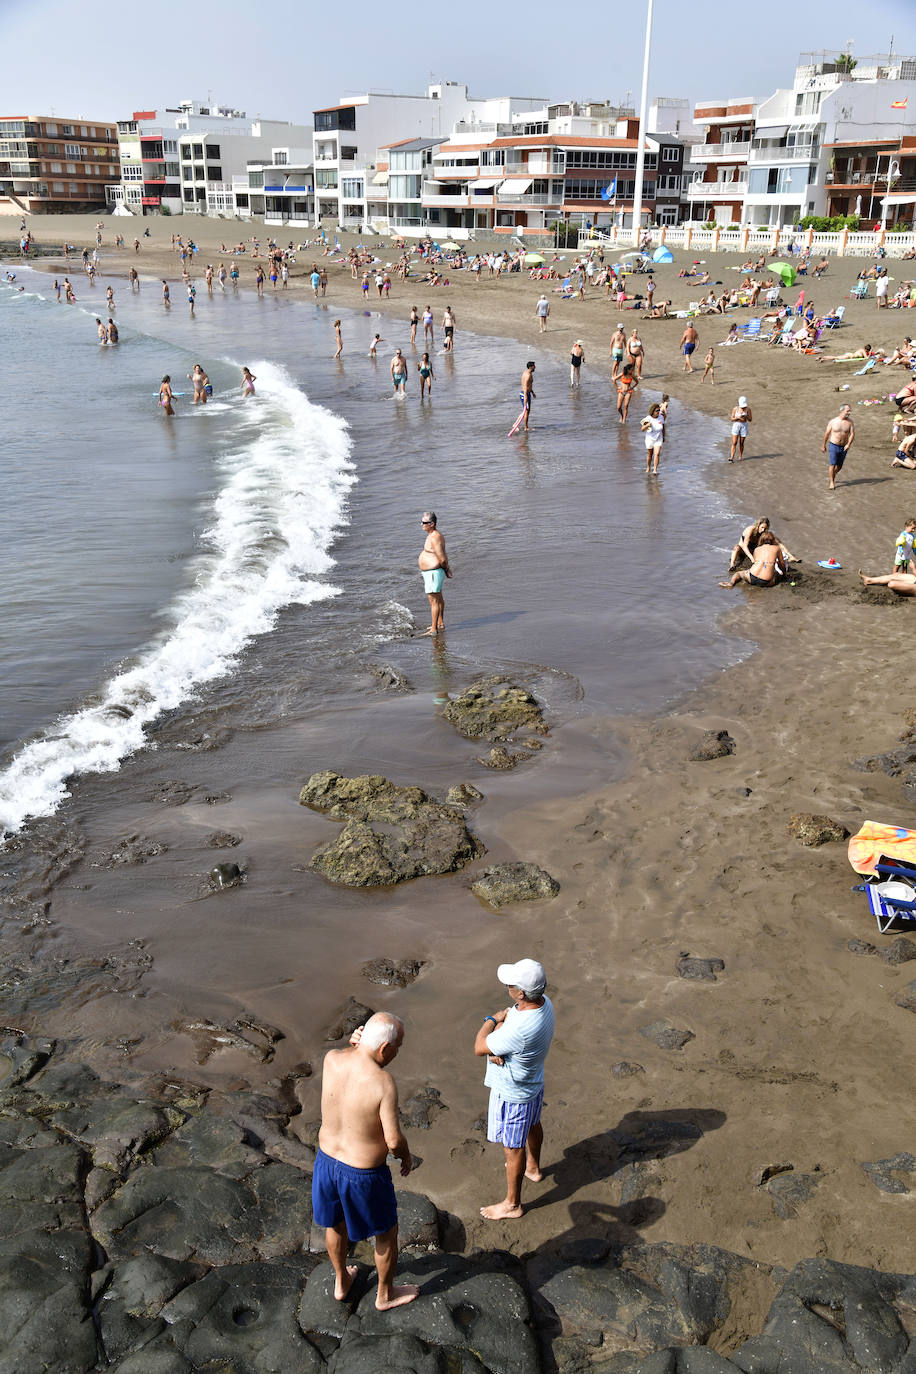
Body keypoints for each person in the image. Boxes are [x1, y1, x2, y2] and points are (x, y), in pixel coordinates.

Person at [312, 1012, 419, 1311]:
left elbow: (349, 1059)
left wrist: (354, 1047)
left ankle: (341, 1280)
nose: (397, 1053)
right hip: (362, 1175)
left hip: (326, 1161)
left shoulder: (332, 1059)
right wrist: (406, 1157)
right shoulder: (383, 1083)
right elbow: (394, 1140)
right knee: (386, 1232)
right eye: (398, 1047)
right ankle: (385, 1295)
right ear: (385, 1049)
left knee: (334, 1224)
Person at [474, 957, 554, 1221]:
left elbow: (480, 1046)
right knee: (534, 1124)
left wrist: (492, 1019)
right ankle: (534, 1168)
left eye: (511, 984)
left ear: (520, 993)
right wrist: (502, 1045)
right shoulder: (546, 1004)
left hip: (513, 1094)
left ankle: (513, 1204)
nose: (507, 986)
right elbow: (507, 1040)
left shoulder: (518, 1028)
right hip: (533, 1081)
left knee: (513, 1148)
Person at [727, 516, 799, 574]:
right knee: (736, 547)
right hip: (743, 550)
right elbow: (744, 546)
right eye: (762, 527)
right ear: (758, 525)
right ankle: (732, 565)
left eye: (765, 528)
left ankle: (791, 557)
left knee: (777, 540)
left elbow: (776, 543)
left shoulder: (764, 533)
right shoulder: (750, 530)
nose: (763, 530)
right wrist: (752, 559)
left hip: (754, 550)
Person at [417, 511, 451, 635]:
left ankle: (433, 629)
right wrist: (447, 568)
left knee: (434, 601)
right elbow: (443, 554)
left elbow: (441, 557)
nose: (421, 524)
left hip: (433, 573)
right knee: (439, 598)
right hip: (434, 572)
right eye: (421, 522)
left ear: (432, 524)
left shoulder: (435, 536)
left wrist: (446, 568)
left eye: (424, 523)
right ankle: (439, 623)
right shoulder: (433, 534)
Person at [719, 532, 785, 588]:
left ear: (761, 540)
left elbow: (756, 562)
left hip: (752, 577)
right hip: (766, 581)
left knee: (738, 573)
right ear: (773, 540)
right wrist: (783, 573)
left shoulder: (757, 549)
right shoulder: (777, 548)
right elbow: (782, 563)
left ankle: (731, 583)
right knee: (777, 575)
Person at [822, 403, 855, 490]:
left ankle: (832, 474)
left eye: (850, 411)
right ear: (842, 411)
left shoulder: (850, 422)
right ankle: (832, 482)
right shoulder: (833, 421)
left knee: (839, 466)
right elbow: (827, 434)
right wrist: (823, 445)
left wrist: (848, 444)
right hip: (833, 445)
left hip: (844, 447)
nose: (849, 412)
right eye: (848, 411)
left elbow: (852, 434)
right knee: (832, 464)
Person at [641, 402, 665, 474]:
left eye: (659, 410)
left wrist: (664, 436)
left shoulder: (661, 417)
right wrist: (647, 425)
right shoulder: (648, 418)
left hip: (659, 437)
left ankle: (655, 470)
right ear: (653, 411)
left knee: (657, 454)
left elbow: (663, 427)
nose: (658, 412)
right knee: (649, 454)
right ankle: (648, 467)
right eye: (657, 410)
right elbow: (642, 429)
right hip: (650, 438)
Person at [729, 396, 752, 462]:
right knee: (734, 442)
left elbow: (750, 419)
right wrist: (737, 418)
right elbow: (731, 419)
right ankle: (731, 457)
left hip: (744, 426)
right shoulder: (735, 409)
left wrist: (746, 416)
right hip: (736, 425)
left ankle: (740, 456)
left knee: (741, 443)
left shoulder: (748, 409)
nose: (743, 407)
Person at [520, 360, 536, 432]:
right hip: (525, 394)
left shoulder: (526, 372)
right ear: (531, 367)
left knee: (526, 410)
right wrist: (526, 397)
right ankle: (526, 427)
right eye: (534, 366)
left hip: (526, 393)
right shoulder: (528, 375)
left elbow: (529, 385)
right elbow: (525, 387)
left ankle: (524, 426)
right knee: (526, 411)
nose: (535, 367)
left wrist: (532, 392)